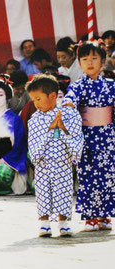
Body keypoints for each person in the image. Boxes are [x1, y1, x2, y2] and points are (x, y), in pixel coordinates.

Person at [63, 40, 115, 231]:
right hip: (87, 138)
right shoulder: (78, 86)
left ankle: (105, 214)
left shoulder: (110, 85)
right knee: (88, 177)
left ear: (103, 60)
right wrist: (68, 102)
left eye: (94, 58)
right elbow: (71, 96)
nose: (90, 62)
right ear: (79, 62)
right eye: (85, 59)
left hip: (108, 137)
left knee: (108, 176)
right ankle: (90, 216)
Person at [27, 74, 84, 237]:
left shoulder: (69, 114)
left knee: (64, 190)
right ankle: (44, 223)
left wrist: (62, 128)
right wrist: (50, 129)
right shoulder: (35, 119)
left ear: (52, 96)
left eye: (38, 99)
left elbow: (76, 135)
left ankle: (63, 222)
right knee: (43, 191)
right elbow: (34, 142)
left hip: (62, 160)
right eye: (34, 100)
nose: (36, 104)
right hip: (43, 161)